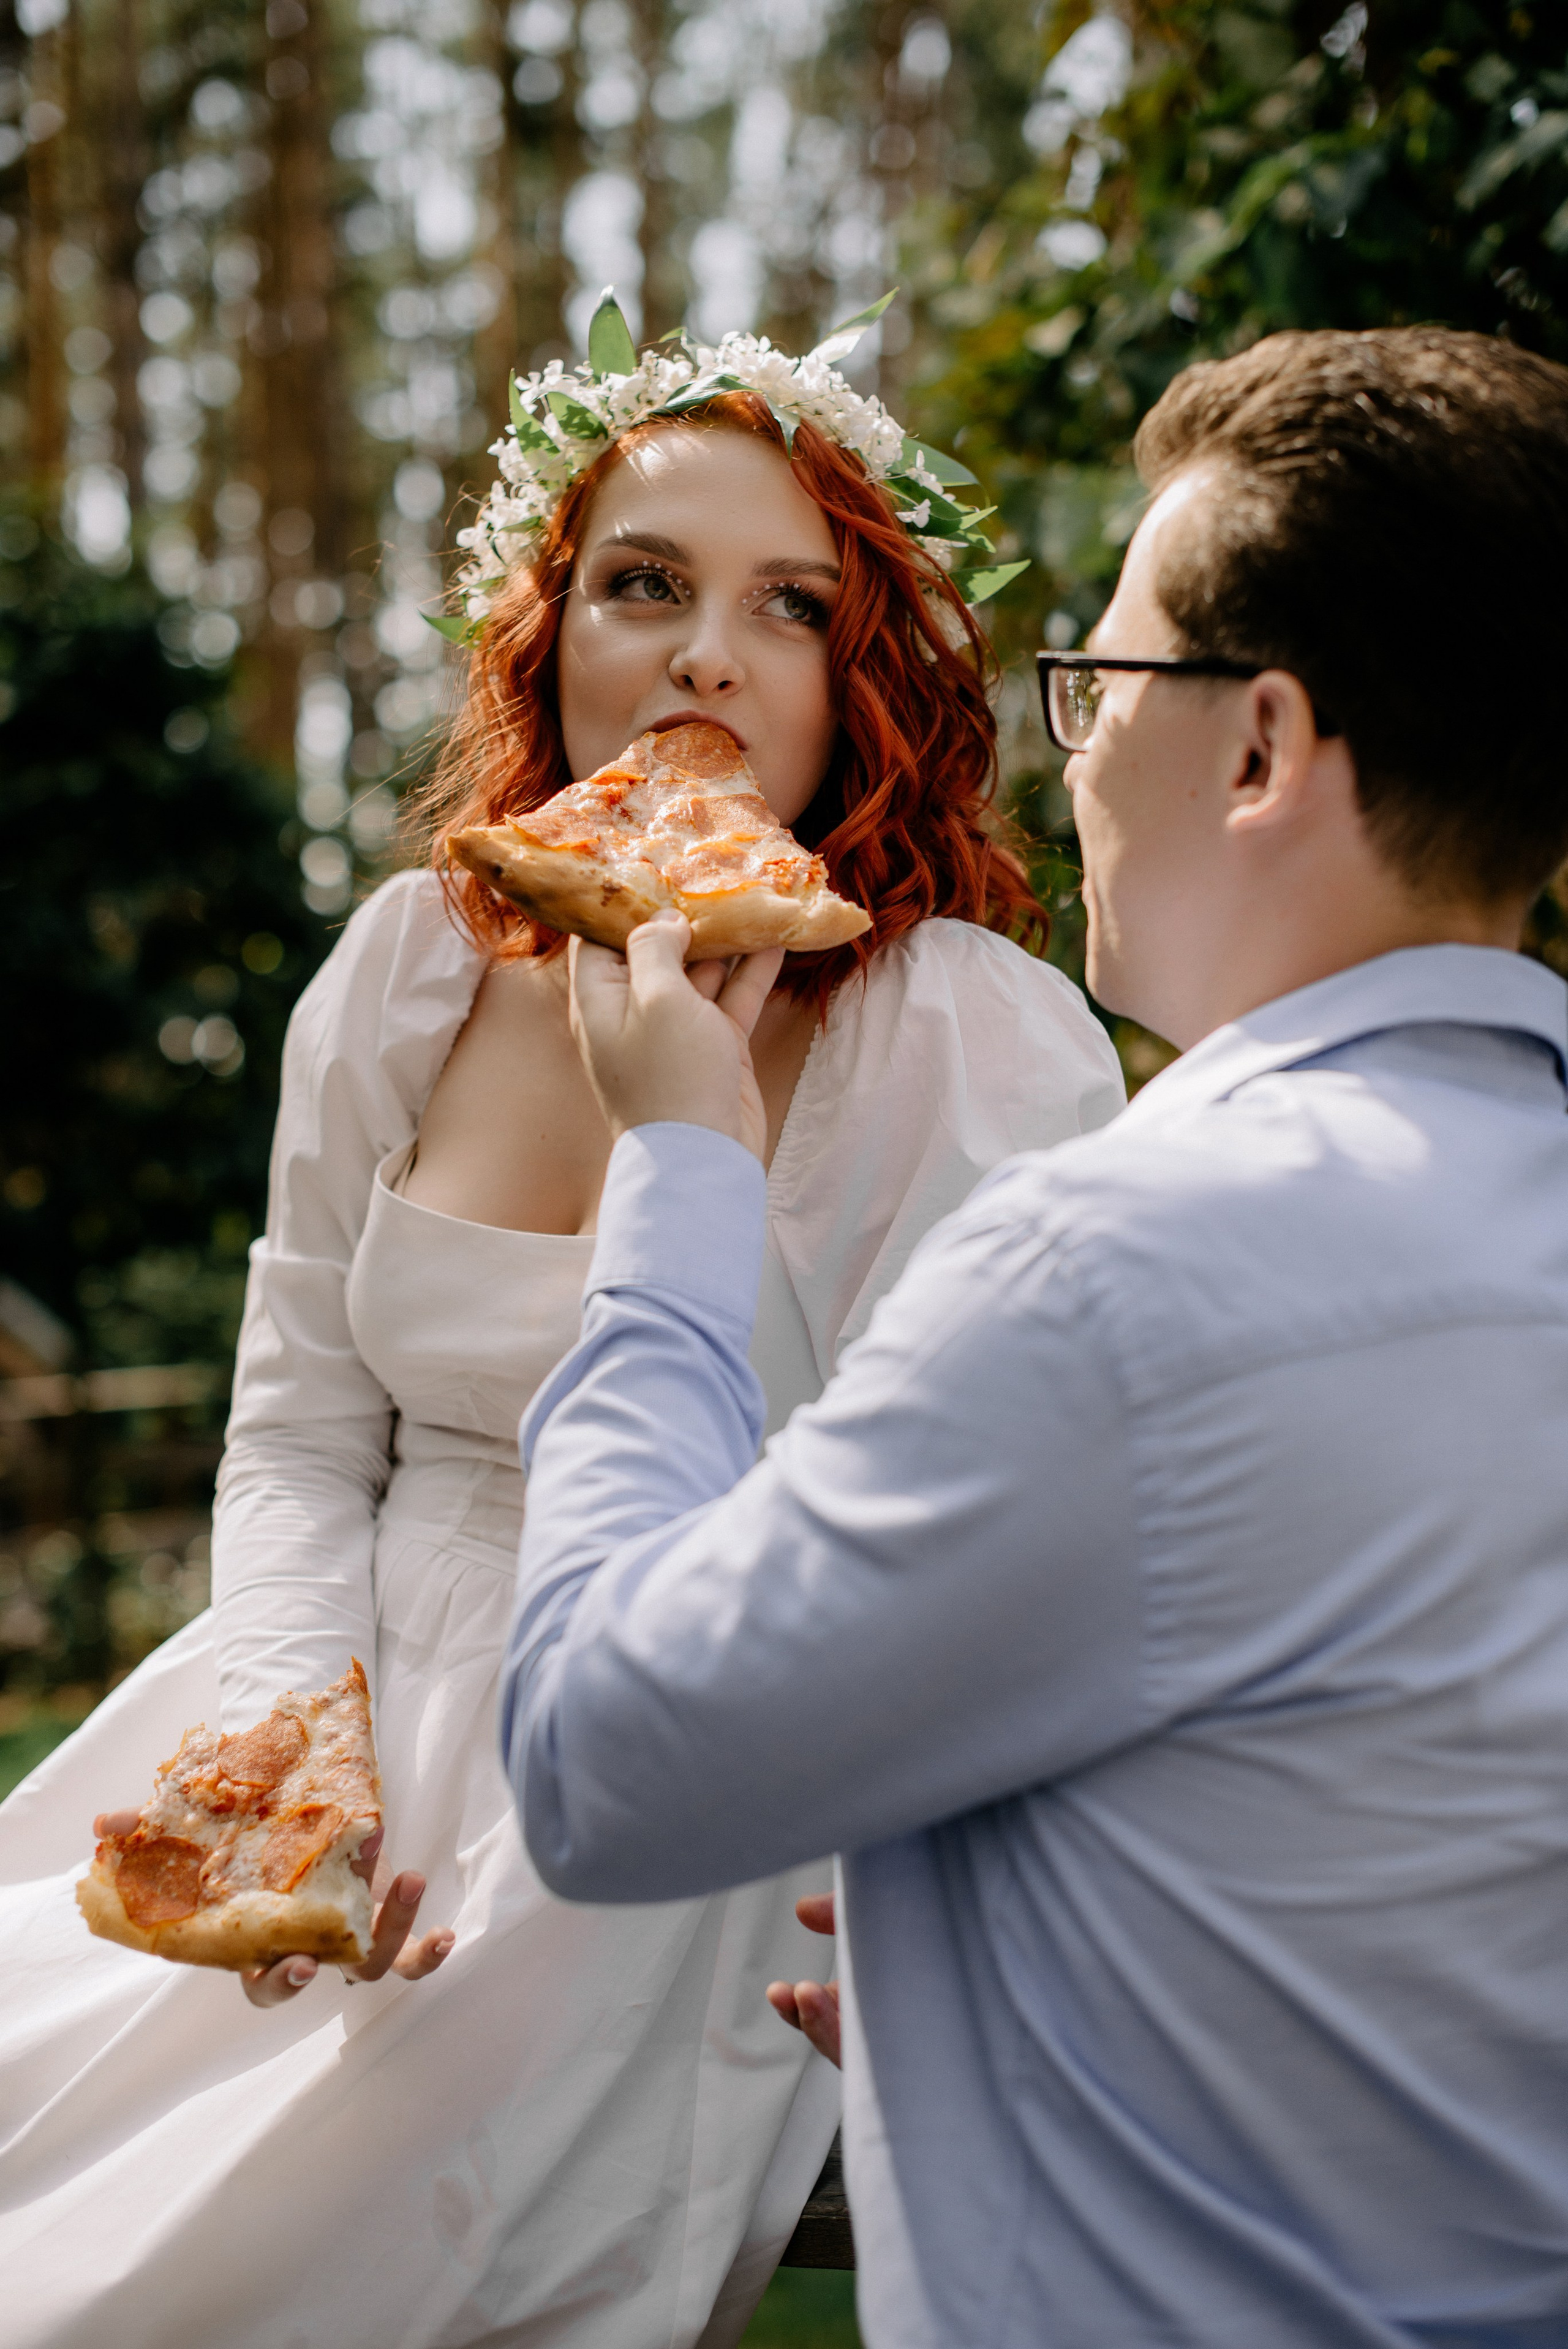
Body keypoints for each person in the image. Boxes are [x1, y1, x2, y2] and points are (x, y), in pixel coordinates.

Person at [0, 310, 1124, 2349]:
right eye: (645, 585)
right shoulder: (410, 961)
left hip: (676, 1808)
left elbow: (970, 1538)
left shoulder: (964, 1028)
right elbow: (298, 1428)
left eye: (792, 607)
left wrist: (689, 1116)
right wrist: (285, 1788)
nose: (709, 654)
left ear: (854, 682)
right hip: (332, 1716)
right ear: (552, 637)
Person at [500, 325, 1568, 2349]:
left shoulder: (1119, 1263)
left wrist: (681, 1176)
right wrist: (1006, 1950)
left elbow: (598, 1757)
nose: (1068, 746)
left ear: (1253, 747)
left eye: (1100, 681)